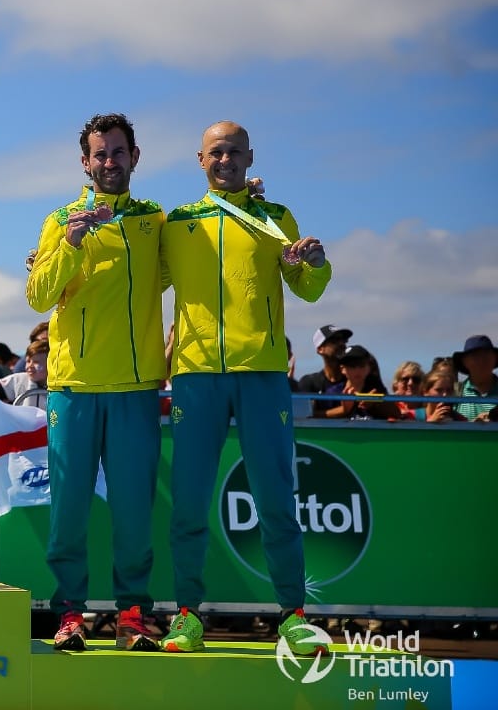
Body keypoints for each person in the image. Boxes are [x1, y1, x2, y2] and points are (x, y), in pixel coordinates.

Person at [159, 121, 333, 657]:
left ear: (250, 156)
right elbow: (139, 278)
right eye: (216, 152)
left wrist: (317, 267)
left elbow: (306, 288)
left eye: (234, 151)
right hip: (195, 375)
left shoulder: (276, 218)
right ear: (200, 159)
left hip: (261, 373)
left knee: (277, 498)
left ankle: (293, 615)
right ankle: (187, 615)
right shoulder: (179, 222)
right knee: (188, 502)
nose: (225, 159)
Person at [26, 112, 166, 652]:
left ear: (135, 156)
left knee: (133, 515)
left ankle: (133, 617)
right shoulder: (61, 218)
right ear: (85, 162)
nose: (109, 162)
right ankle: (70, 615)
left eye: (118, 152)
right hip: (74, 389)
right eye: (99, 154)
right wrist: (68, 245)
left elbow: (181, 271)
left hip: (134, 391)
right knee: (69, 517)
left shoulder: (156, 219)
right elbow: (38, 295)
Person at [321, 345, 397, 420]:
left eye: (361, 365)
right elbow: (317, 417)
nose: (357, 370)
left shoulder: (376, 388)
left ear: (369, 368)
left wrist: (376, 402)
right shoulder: (333, 392)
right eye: (352, 366)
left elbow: (396, 414)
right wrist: (344, 410)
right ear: (342, 369)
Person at [0, 339, 50, 409]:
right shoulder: (18, 380)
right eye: (28, 361)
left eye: (36, 362)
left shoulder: (60, 387)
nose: (30, 366)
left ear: (50, 364)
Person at [297, 325, 352, 418]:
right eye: (334, 340)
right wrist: (343, 410)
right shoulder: (310, 382)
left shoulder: (357, 378)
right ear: (320, 349)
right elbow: (305, 415)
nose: (341, 344)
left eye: (343, 340)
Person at [452, 335, 498, 421]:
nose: (482, 361)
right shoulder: (454, 392)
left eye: (486, 356)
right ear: (465, 362)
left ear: (495, 359)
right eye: (476, 356)